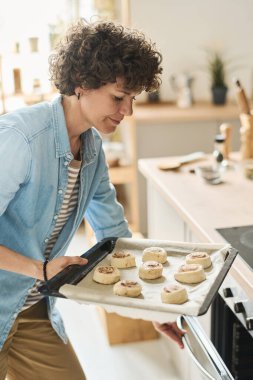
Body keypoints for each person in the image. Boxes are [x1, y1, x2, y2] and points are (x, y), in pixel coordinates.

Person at [0, 19, 184, 380]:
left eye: (132, 99)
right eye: (119, 97)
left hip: (31, 309)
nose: (127, 111)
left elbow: (115, 239)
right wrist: (39, 270)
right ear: (81, 84)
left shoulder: (92, 148)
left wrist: (154, 310)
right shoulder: (20, 139)